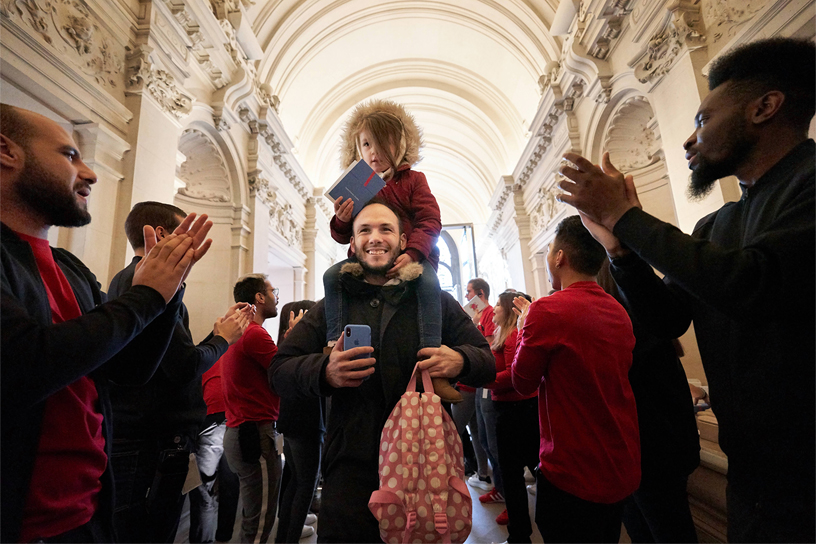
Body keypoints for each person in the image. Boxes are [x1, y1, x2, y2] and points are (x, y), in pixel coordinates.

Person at [556, 38, 815, 542]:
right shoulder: (716, 224)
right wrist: (621, 250)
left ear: (764, 106)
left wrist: (624, 215)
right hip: (753, 470)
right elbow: (667, 320)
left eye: (703, 120)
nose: (690, 141)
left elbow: (751, 281)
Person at [0, 104, 212, 542]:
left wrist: (168, 292)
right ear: (6, 152)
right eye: (69, 155)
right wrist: (148, 294)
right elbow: (26, 362)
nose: (90, 173)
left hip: (87, 511)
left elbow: (127, 369)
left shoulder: (69, 267)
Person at [269, 200, 496, 543]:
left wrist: (460, 360)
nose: (375, 238)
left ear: (403, 241)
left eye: (385, 229)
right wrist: (324, 371)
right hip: (351, 468)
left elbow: (487, 360)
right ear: (353, 244)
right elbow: (279, 370)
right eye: (365, 230)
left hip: (422, 464)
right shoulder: (332, 305)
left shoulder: (434, 301)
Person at [106, 202, 251, 543]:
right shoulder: (152, 286)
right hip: (150, 443)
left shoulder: (129, 279)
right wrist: (222, 339)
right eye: (188, 233)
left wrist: (214, 337)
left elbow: (171, 360)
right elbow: (184, 367)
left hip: (142, 439)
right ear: (161, 234)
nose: (195, 246)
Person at [511, 215, 640, 543]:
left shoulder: (547, 311)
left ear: (559, 257)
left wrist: (526, 326)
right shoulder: (617, 310)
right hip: (618, 464)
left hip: (573, 471)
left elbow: (522, 383)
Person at [323, 99, 460, 403]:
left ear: (399, 145)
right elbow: (342, 234)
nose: (373, 152)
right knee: (332, 276)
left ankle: (433, 367)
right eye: (366, 144)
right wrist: (341, 220)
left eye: (381, 144)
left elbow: (429, 220)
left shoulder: (413, 180)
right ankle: (334, 344)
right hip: (366, 263)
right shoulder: (357, 185)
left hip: (408, 259)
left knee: (428, 284)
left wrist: (412, 253)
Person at [597, 260, 700, 543]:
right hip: (655, 448)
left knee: (665, 532)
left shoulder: (627, 326)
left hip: (650, 451)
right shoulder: (645, 318)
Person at [221, 274, 283, 543]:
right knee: (259, 520)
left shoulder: (238, 331)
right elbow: (285, 374)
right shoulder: (255, 334)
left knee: (253, 515)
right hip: (255, 434)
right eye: (272, 291)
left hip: (241, 430)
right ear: (259, 297)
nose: (276, 296)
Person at [485, 290, 540, 537]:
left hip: (516, 411)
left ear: (508, 309)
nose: (493, 308)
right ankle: (520, 532)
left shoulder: (512, 336)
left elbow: (513, 375)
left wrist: (485, 379)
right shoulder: (503, 333)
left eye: (497, 304)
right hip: (512, 409)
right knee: (514, 474)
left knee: (513, 474)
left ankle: (519, 535)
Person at [275, 299, 323, 543]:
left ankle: (284, 536)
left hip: (291, 421)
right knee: (306, 484)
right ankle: (290, 538)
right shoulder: (295, 348)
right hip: (305, 421)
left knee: (295, 480)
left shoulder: (284, 345)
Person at [189, 358, 241, 544]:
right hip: (236, 420)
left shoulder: (207, 357)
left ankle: (203, 541)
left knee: (203, 490)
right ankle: (223, 538)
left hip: (212, 420)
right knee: (230, 483)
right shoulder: (238, 354)